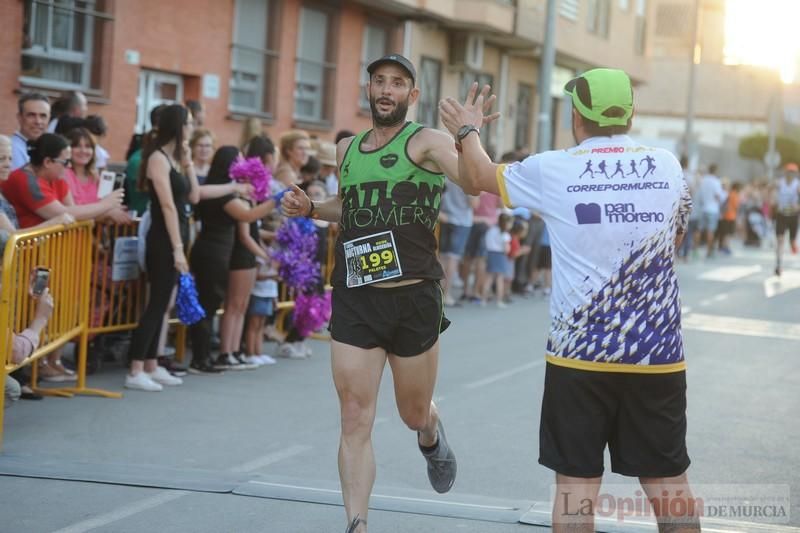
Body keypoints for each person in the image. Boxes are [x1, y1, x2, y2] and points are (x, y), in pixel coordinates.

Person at [439, 68, 699, 532]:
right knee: (670, 485)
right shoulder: (667, 165)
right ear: (631, 114)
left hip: (579, 357)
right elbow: (675, 237)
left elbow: (476, 175)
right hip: (655, 355)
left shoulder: (553, 167)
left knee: (575, 490)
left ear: (576, 115)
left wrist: (468, 128)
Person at [282, 54, 498, 533]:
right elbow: (351, 206)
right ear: (368, 89)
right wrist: (313, 207)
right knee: (355, 415)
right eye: (379, 81)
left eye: (397, 83)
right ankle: (357, 524)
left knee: (411, 411)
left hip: (413, 298)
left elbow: (473, 182)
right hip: (357, 296)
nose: (386, 90)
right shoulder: (346, 149)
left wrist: (468, 133)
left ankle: (429, 432)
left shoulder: (426, 141)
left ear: (412, 95)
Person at [124, 104, 244, 390]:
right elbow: (166, 205)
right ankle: (136, 367)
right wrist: (178, 248)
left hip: (179, 233)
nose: (192, 127)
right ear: (177, 126)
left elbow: (192, 196)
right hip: (164, 238)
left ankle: (152, 364)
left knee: (166, 301)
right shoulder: (157, 158)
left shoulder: (176, 158)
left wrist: (189, 162)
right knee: (157, 303)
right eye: (188, 124)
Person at [189, 146, 277, 373]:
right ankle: (202, 358)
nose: (243, 164)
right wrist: (275, 200)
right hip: (212, 251)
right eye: (238, 160)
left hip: (219, 252)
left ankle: (210, 355)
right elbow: (247, 215)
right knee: (208, 306)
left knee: (213, 305)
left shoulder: (226, 191)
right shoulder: (224, 194)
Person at [216, 137, 275, 370]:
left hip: (249, 256)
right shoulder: (240, 196)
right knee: (234, 305)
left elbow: (255, 229)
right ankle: (226, 351)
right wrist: (265, 255)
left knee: (241, 306)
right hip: (241, 255)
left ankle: (235, 351)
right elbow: (245, 233)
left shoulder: (249, 197)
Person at [773, 162, 800, 276]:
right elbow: (772, 195)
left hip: (793, 215)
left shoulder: (797, 185)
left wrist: (798, 206)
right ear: (785, 172)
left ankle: (793, 244)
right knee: (780, 240)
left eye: (793, 172)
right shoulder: (780, 183)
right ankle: (779, 265)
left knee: (791, 241)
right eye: (789, 172)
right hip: (781, 214)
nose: (791, 174)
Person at [11, 93, 50, 170]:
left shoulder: (47, 149)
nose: (38, 121)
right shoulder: (10, 149)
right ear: (19, 117)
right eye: (31, 115)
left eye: (43, 116)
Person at [484, 212, 512, 308]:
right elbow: (507, 249)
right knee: (500, 278)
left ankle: (483, 299)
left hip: (490, 253)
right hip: (500, 255)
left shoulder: (491, 230)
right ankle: (499, 300)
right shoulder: (505, 234)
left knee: (489, 277)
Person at [698, 163, 724, 258]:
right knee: (710, 231)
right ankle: (709, 251)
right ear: (715, 171)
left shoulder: (703, 180)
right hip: (713, 209)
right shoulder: (716, 181)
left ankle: (695, 250)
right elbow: (718, 196)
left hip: (703, 208)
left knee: (699, 229)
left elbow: (700, 194)